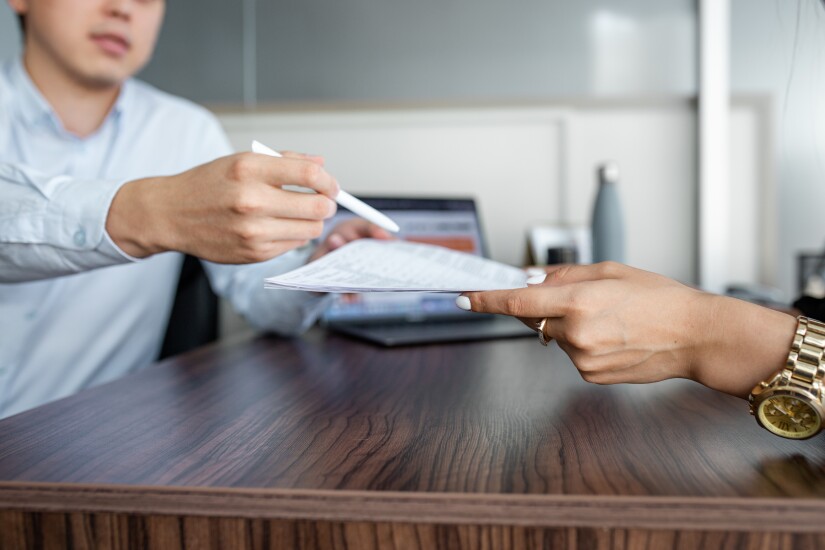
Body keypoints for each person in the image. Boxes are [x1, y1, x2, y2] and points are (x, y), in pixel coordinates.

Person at [0, 0, 388, 418]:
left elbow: (258, 296)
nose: (123, 8)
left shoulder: (186, 130)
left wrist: (318, 269)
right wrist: (156, 212)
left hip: (107, 436)